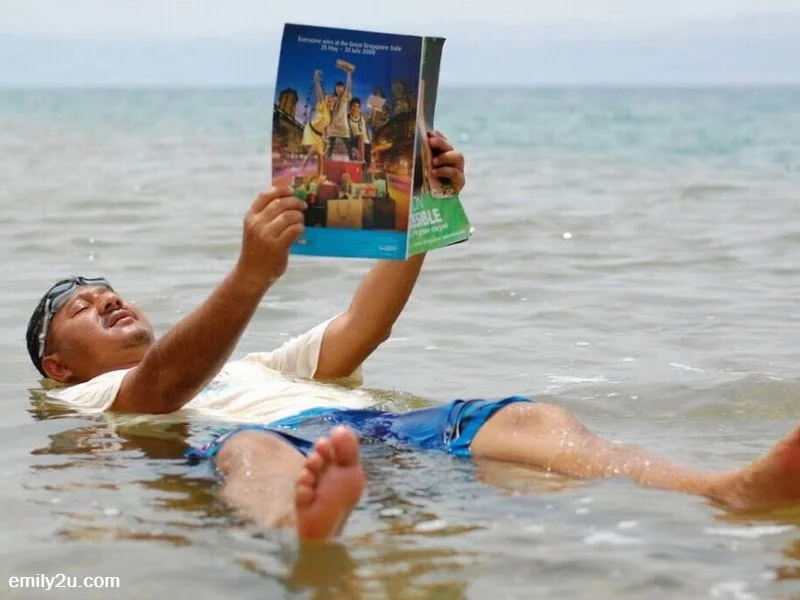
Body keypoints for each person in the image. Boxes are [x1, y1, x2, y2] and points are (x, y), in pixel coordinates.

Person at [25, 133, 800, 545]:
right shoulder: (87, 399)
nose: (111, 300)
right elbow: (161, 392)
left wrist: (421, 208)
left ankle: (722, 490)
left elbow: (369, 325)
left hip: (373, 435)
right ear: (58, 365)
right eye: (86, 308)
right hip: (275, 445)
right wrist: (253, 273)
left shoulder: (254, 363)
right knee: (249, 452)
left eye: (112, 292)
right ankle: (306, 535)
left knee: (530, 418)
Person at [299, 69, 334, 178]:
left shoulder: (329, 114)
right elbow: (319, 91)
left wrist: (325, 137)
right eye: (327, 98)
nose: (329, 99)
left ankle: (320, 176)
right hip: (311, 130)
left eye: (331, 99)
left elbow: (325, 127)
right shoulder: (322, 105)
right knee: (314, 153)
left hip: (319, 135)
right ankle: (300, 173)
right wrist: (317, 79)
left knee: (319, 156)